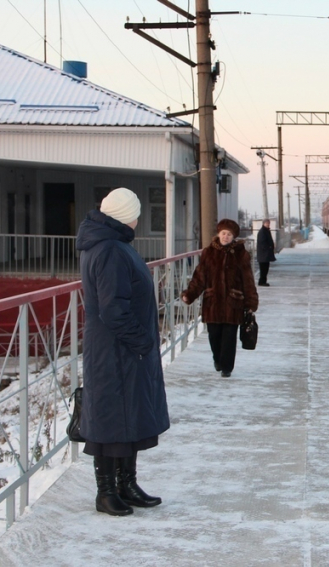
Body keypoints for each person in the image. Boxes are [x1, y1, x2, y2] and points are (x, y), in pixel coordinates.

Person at [76, 187, 170, 517]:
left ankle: (127, 485)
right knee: (111, 420)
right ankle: (106, 492)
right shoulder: (111, 250)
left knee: (127, 417)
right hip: (117, 349)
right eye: (137, 212)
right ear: (126, 214)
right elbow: (113, 309)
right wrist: (142, 341)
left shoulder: (109, 245)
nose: (140, 218)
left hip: (119, 349)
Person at [180, 219, 259, 377]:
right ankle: (217, 358)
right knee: (214, 335)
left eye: (229, 234)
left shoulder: (240, 254)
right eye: (223, 233)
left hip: (233, 302)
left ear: (233, 237)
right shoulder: (208, 252)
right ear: (218, 234)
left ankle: (227, 368)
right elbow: (199, 277)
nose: (225, 237)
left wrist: (251, 301)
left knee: (229, 337)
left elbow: (248, 279)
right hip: (213, 302)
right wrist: (189, 294)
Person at [256, 219, 276, 287]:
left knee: (265, 268)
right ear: (263, 223)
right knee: (263, 269)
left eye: (268, 223)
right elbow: (262, 242)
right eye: (267, 223)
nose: (268, 224)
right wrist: (268, 248)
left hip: (265, 254)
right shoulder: (262, 232)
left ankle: (263, 281)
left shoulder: (266, 231)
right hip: (263, 254)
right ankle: (262, 281)